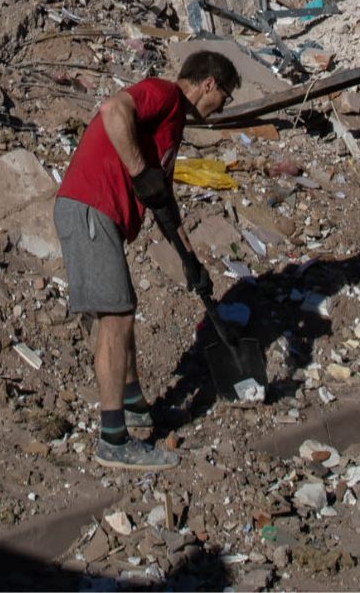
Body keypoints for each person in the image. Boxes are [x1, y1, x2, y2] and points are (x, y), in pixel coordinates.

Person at [53, 50, 239, 470]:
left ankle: (135, 407)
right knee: (116, 318)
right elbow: (112, 109)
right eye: (225, 96)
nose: (224, 106)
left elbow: (162, 203)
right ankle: (113, 440)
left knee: (123, 308)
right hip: (90, 205)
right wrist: (139, 172)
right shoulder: (165, 93)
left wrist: (190, 262)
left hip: (100, 213)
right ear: (209, 83)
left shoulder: (170, 127)